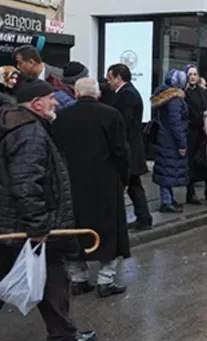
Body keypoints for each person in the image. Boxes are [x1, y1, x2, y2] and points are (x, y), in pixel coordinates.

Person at [0, 78, 95, 341]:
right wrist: (37, 226)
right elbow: (26, 182)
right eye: (51, 98)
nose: (55, 102)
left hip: (17, 223)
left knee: (50, 279)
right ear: (37, 103)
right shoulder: (30, 132)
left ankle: (64, 333)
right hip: (23, 225)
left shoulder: (23, 126)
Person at [53, 78, 131, 298]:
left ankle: (78, 278)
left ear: (76, 94)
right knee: (109, 231)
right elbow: (121, 152)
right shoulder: (111, 115)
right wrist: (124, 179)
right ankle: (105, 280)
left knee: (76, 229)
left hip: (71, 182)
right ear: (97, 94)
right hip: (104, 181)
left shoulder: (61, 117)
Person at [107, 63, 153, 231]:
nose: (108, 82)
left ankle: (142, 218)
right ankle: (143, 217)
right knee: (134, 185)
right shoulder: (127, 92)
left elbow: (123, 123)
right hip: (131, 147)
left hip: (129, 148)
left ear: (118, 78)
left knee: (131, 184)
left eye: (110, 78)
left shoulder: (127, 95)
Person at [150, 69, 189, 213]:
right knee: (167, 171)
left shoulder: (163, 95)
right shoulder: (175, 100)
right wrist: (182, 144)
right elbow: (176, 123)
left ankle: (168, 199)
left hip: (164, 138)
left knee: (165, 169)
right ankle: (166, 201)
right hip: (171, 141)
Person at [13, 45, 76, 110]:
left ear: (31, 62)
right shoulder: (21, 82)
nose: (18, 67)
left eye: (20, 63)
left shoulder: (59, 76)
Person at [183, 65, 207, 205]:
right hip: (191, 132)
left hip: (203, 132)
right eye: (190, 74)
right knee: (191, 162)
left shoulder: (203, 92)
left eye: (195, 74)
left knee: (205, 161)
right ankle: (190, 192)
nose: (193, 77)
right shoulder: (183, 92)